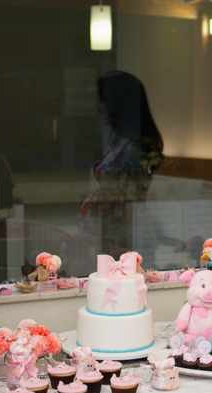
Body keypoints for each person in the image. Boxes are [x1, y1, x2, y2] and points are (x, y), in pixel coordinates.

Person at [79, 71, 164, 260]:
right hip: (109, 236)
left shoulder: (135, 148)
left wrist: (125, 249)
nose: (99, 107)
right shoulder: (118, 142)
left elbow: (131, 202)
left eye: (104, 101)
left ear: (120, 102)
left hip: (122, 241)